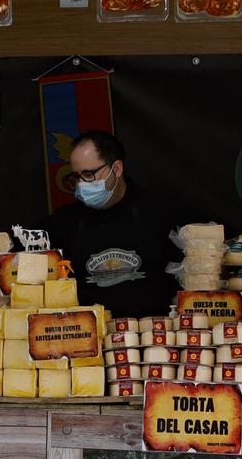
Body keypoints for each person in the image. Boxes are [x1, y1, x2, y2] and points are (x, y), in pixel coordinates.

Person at [46, 129, 177, 319]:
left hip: (152, 340)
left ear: (117, 169)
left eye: (89, 174)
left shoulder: (160, 212)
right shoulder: (63, 223)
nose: (82, 184)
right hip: (89, 341)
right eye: (76, 177)